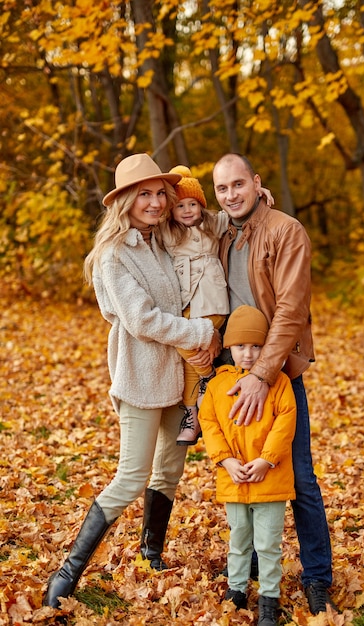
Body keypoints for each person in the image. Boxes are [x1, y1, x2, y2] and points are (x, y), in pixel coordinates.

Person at [43, 153, 221, 609]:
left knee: (169, 471)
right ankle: (67, 575)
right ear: (123, 200)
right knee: (130, 477)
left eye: (161, 192)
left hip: (178, 376)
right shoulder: (113, 254)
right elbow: (142, 320)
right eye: (144, 193)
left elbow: (209, 227)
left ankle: (151, 554)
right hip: (141, 376)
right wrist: (202, 333)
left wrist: (257, 201)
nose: (156, 202)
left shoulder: (164, 240)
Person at [212, 153, 336, 615]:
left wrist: (264, 375)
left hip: (277, 374)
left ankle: (318, 576)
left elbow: (291, 310)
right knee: (241, 471)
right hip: (233, 373)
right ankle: (245, 568)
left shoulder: (286, 231)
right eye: (222, 189)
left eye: (239, 185)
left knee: (298, 476)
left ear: (255, 182)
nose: (231, 195)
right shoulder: (220, 231)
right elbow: (178, 214)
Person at [199, 305, 297, 626]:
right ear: (229, 347)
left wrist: (267, 459)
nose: (249, 354)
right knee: (239, 538)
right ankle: (236, 589)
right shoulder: (216, 386)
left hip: (269, 477)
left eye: (257, 346)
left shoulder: (279, 383)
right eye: (241, 346)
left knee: (267, 543)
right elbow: (209, 424)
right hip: (234, 477)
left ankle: (269, 596)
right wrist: (225, 460)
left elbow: (285, 422)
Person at [158, 166, 230, 446]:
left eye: (193, 204)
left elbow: (238, 211)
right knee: (186, 356)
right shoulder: (168, 232)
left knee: (184, 345)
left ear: (201, 205)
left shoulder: (214, 224)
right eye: (180, 206)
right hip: (186, 305)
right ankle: (193, 414)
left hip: (212, 303)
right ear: (172, 211)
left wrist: (260, 193)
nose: (187, 210)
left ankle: (208, 376)